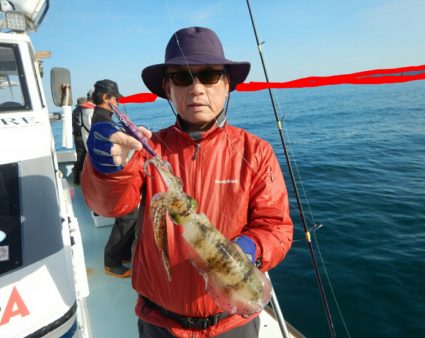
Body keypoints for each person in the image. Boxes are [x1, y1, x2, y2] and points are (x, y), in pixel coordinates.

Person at [81, 27, 293, 337]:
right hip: (160, 323)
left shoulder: (256, 152)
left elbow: (276, 226)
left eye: (208, 75)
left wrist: (250, 248)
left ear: (226, 85)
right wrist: (109, 170)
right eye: (182, 78)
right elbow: (110, 205)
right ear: (168, 89)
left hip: (233, 323)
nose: (196, 88)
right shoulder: (146, 149)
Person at [88, 79, 138, 278]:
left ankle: (123, 252)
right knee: (127, 216)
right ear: (105, 98)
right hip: (113, 176)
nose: (117, 102)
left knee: (128, 215)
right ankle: (111, 261)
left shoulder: (103, 117)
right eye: (115, 98)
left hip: (113, 175)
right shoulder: (102, 120)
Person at [71, 97, 87, 184]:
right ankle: (77, 179)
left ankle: (77, 179)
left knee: (80, 157)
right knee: (82, 158)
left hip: (78, 138)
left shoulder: (75, 112)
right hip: (81, 138)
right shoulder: (81, 112)